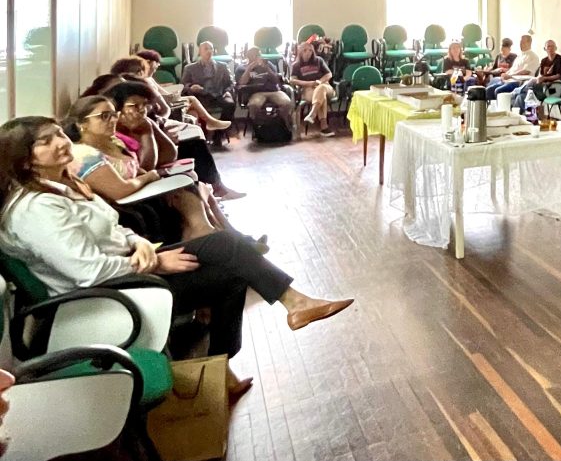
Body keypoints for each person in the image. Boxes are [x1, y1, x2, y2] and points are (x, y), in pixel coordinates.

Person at [0, 117, 354, 367]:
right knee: (229, 259)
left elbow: (113, 229)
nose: (61, 143)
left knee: (229, 258)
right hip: (104, 295)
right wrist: (156, 261)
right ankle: (290, 305)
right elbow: (86, 271)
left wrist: (140, 242)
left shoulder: (66, 185)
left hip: (131, 265)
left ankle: (224, 363)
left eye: (59, 133)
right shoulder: (35, 209)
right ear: (25, 158)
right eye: (44, 141)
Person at [63, 95, 223, 242]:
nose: (112, 120)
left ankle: (218, 234)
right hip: (124, 207)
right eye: (104, 116)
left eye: (114, 114)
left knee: (193, 187)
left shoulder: (114, 142)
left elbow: (141, 167)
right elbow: (119, 190)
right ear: (82, 123)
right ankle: (207, 237)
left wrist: (150, 176)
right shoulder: (84, 154)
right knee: (190, 195)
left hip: (140, 194)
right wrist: (150, 176)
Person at [109, 81, 245, 201]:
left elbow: (170, 154)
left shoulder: (144, 123)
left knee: (194, 144)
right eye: (134, 106)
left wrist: (150, 129)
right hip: (138, 183)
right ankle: (216, 189)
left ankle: (215, 190)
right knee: (192, 155)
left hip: (153, 170)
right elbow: (144, 169)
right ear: (117, 109)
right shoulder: (114, 133)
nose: (141, 111)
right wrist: (146, 134)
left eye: (144, 105)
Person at [129, 51, 232, 131]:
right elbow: (164, 97)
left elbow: (161, 90)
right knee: (192, 99)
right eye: (156, 63)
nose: (158, 66)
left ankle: (198, 140)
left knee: (193, 113)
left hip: (168, 102)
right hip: (166, 107)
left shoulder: (149, 78)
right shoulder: (145, 81)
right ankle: (211, 122)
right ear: (147, 63)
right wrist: (178, 92)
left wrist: (168, 86)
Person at [180, 41, 236, 128]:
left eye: (211, 49)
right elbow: (183, 86)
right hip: (201, 96)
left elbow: (231, 82)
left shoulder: (223, 66)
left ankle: (218, 134)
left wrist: (228, 91)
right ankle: (204, 134)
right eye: (206, 49)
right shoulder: (190, 68)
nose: (209, 51)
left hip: (219, 94)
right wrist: (191, 88)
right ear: (200, 51)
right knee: (195, 109)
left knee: (230, 104)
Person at [237, 46, 294, 129]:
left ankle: (282, 124)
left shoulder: (268, 65)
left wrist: (267, 68)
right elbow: (241, 83)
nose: (256, 57)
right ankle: (259, 127)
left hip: (274, 91)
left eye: (258, 55)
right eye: (253, 55)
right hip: (256, 93)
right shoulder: (242, 67)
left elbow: (276, 80)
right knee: (254, 105)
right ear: (248, 57)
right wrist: (249, 69)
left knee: (286, 103)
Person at [290, 42, 336, 137]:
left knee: (321, 88)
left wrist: (319, 81)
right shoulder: (296, 65)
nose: (308, 53)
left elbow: (329, 74)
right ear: (300, 52)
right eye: (305, 50)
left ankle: (313, 113)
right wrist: (308, 83)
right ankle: (324, 127)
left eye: (310, 50)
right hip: (308, 89)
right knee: (321, 97)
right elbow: (292, 80)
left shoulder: (319, 60)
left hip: (325, 86)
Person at [487, 35, 541, 99]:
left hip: (519, 82)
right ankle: (491, 108)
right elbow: (512, 69)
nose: (521, 44)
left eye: (523, 42)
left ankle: (504, 108)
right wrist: (505, 74)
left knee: (498, 91)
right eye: (520, 43)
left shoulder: (533, 56)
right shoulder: (519, 56)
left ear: (529, 43)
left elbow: (526, 72)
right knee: (489, 90)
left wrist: (510, 76)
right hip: (509, 80)